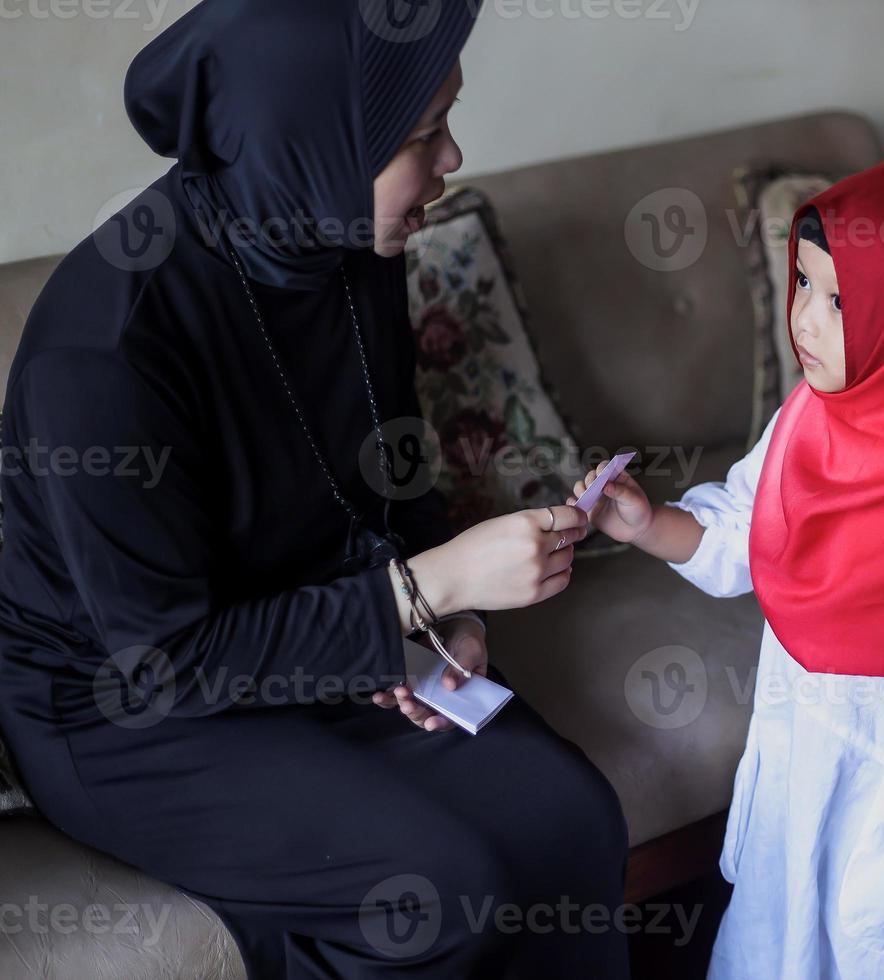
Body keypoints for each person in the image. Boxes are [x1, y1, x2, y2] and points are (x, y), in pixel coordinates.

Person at [0, 2, 629, 976]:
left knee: (570, 814)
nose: (453, 158)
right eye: (424, 136)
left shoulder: (347, 244)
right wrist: (426, 590)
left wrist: (437, 623)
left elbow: (397, 452)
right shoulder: (106, 351)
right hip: (123, 704)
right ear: (309, 140)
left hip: (318, 618)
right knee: (431, 885)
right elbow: (169, 659)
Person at [573, 151, 884, 978]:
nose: (804, 319)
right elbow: (744, 531)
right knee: (783, 923)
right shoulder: (807, 421)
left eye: (839, 300)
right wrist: (650, 522)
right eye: (802, 284)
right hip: (803, 751)